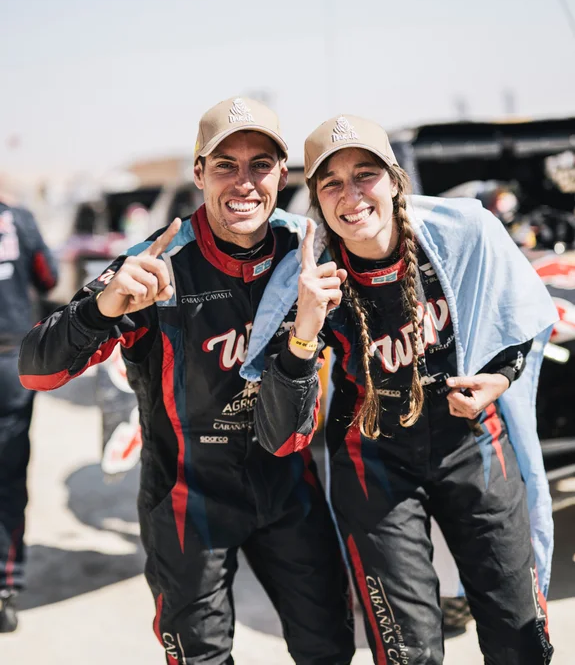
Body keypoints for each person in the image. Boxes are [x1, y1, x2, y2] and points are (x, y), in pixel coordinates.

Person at [18, 98, 354, 664]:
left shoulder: (309, 251)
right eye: (225, 165)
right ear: (198, 173)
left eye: (260, 164)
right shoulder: (152, 265)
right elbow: (36, 368)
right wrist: (102, 308)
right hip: (188, 500)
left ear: (282, 174)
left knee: (329, 649)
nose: (244, 183)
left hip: (289, 491)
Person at [244, 115, 557, 665]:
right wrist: (305, 331)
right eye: (331, 183)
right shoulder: (310, 275)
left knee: (521, 641)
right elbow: (277, 424)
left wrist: (499, 379)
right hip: (375, 461)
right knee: (410, 654)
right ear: (316, 197)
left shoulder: (459, 234)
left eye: (364, 174)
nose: (351, 195)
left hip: (473, 444)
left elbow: (521, 319)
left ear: (394, 180)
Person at [0, 182, 58, 632]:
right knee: (7, 474)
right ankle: (4, 588)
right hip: (8, 362)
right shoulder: (18, 219)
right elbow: (49, 277)